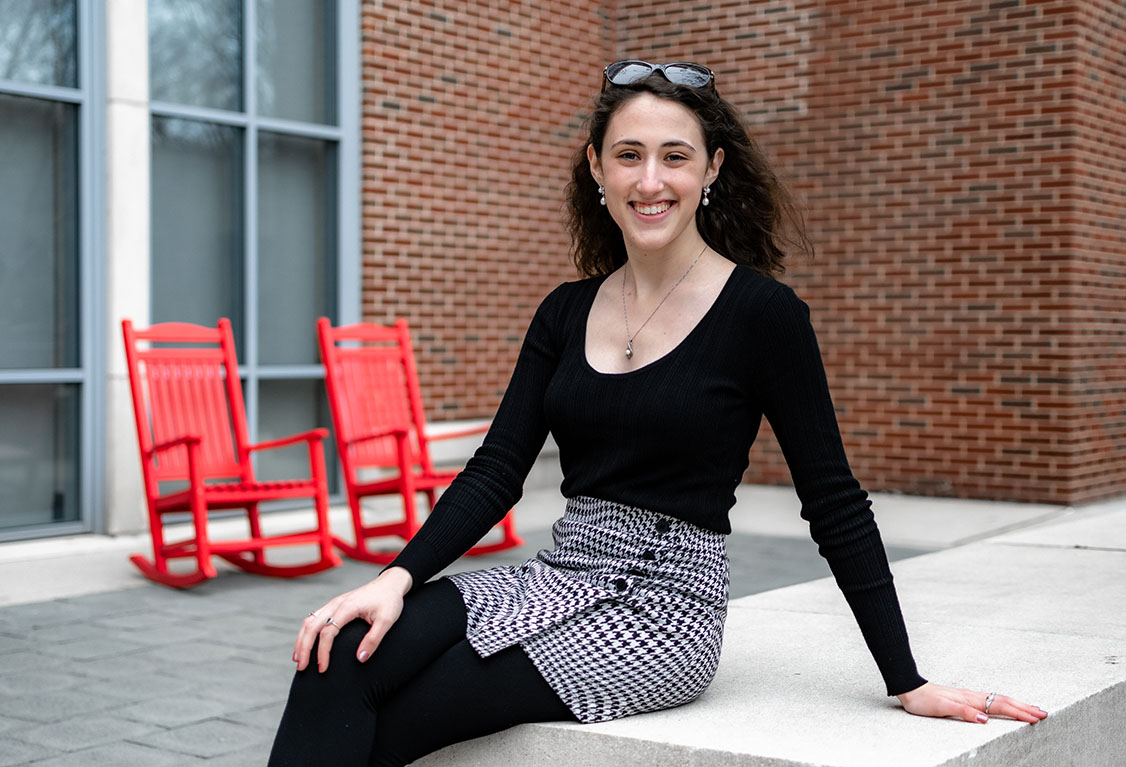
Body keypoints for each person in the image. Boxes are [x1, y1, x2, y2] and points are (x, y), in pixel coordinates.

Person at [268, 60, 1046, 766]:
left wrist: (906, 679)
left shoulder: (763, 315)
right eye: (629, 154)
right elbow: (498, 468)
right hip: (558, 573)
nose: (651, 181)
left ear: (710, 169)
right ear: (596, 168)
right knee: (337, 649)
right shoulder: (566, 311)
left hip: (661, 611)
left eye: (675, 156)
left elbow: (834, 501)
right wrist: (397, 576)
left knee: (401, 714)